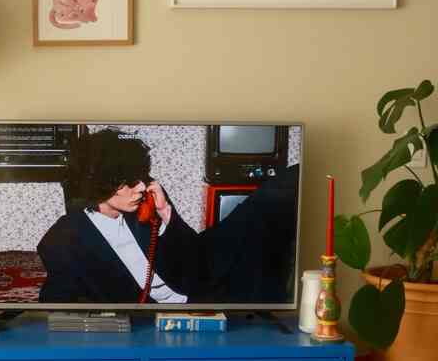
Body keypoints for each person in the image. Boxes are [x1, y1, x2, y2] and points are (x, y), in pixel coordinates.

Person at [36, 128, 298, 306]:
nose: (141, 187)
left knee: (270, 199)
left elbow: (194, 259)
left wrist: (166, 215)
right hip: (191, 302)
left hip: (204, 267)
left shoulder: (147, 197)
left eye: (141, 176)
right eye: (129, 181)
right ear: (99, 184)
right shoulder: (62, 241)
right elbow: (55, 303)